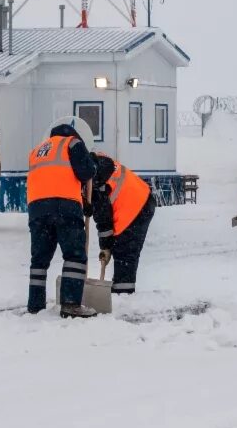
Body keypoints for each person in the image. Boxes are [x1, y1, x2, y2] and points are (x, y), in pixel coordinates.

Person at [27, 116, 98, 318]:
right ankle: (70, 303)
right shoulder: (73, 143)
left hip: (37, 209)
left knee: (39, 260)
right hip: (64, 205)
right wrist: (92, 163)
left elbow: (52, 177)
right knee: (75, 255)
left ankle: (35, 305)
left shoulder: (37, 151)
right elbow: (85, 172)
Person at [91, 152, 155, 294]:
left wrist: (105, 247)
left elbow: (104, 220)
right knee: (122, 250)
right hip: (140, 197)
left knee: (125, 251)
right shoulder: (96, 166)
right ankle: (121, 290)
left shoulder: (96, 183)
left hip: (136, 207)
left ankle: (123, 295)